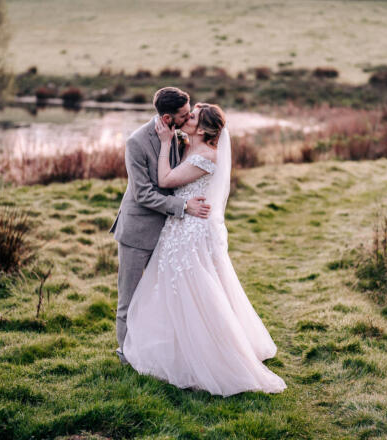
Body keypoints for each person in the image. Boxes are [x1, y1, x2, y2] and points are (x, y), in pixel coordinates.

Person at [122, 102, 287, 397]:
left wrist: (162, 143)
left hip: (189, 230)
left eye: (193, 117)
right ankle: (178, 349)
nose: (187, 119)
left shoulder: (205, 155)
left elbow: (165, 180)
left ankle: (212, 355)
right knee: (174, 292)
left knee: (193, 290)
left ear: (202, 129)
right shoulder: (189, 146)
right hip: (180, 224)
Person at [110, 87, 211, 366]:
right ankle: (126, 356)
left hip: (170, 234)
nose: (190, 117)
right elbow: (143, 194)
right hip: (138, 232)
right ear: (167, 118)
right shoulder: (136, 143)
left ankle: (156, 353)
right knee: (128, 299)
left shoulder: (180, 137)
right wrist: (183, 207)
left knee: (162, 297)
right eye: (184, 115)